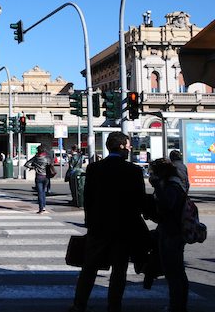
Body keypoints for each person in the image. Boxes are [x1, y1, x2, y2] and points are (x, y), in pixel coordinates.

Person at [70, 132, 146, 312]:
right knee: (119, 271)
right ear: (121, 147)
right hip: (123, 228)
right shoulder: (133, 170)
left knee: (89, 268)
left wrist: (90, 222)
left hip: (99, 227)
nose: (129, 149)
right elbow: (139, 201)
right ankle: (114, 307)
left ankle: (79, 305)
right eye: (128, 146)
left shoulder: (94, 168)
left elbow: (87, 199)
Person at [147, 158, 188, 312]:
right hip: (173, 231)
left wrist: (157, 187)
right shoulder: (174, 185)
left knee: (173, 273)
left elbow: (166, 207)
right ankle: (179, 304)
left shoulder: (171, 187)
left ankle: (176, 306)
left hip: (172, 232)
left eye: (154, 172)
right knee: (177, 272)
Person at [24, 145, 51, 213]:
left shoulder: (36, 158)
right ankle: (44, 207)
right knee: (43, 192)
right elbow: (50, 165)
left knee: (40, 193)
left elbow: (26, 164)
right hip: (46, 177)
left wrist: (33, 167)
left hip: (39, 176)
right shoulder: (47, 158)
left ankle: (41, 208)